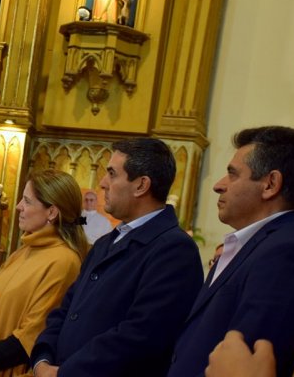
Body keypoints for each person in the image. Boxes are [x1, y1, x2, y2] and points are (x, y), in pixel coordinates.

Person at [31, 138, 203, 377]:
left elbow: (142, 335)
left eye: (112, 174)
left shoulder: (174, 251)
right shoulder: (105, 243)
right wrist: (42, 358)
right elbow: (66, 310)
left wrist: (66, 372)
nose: (102, 183)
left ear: (141, 185)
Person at [167, 126, 294, 377]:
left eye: (232, 174)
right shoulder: (256, 246)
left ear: (270, 184)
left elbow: (246, 358)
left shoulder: (290, 253)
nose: (219, 186)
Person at [0, 169, 89, 377]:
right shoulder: (21, 252)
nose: (18, 207)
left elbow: (32, 335)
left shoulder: (64, 262)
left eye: (27, 201)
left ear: (52, 213)